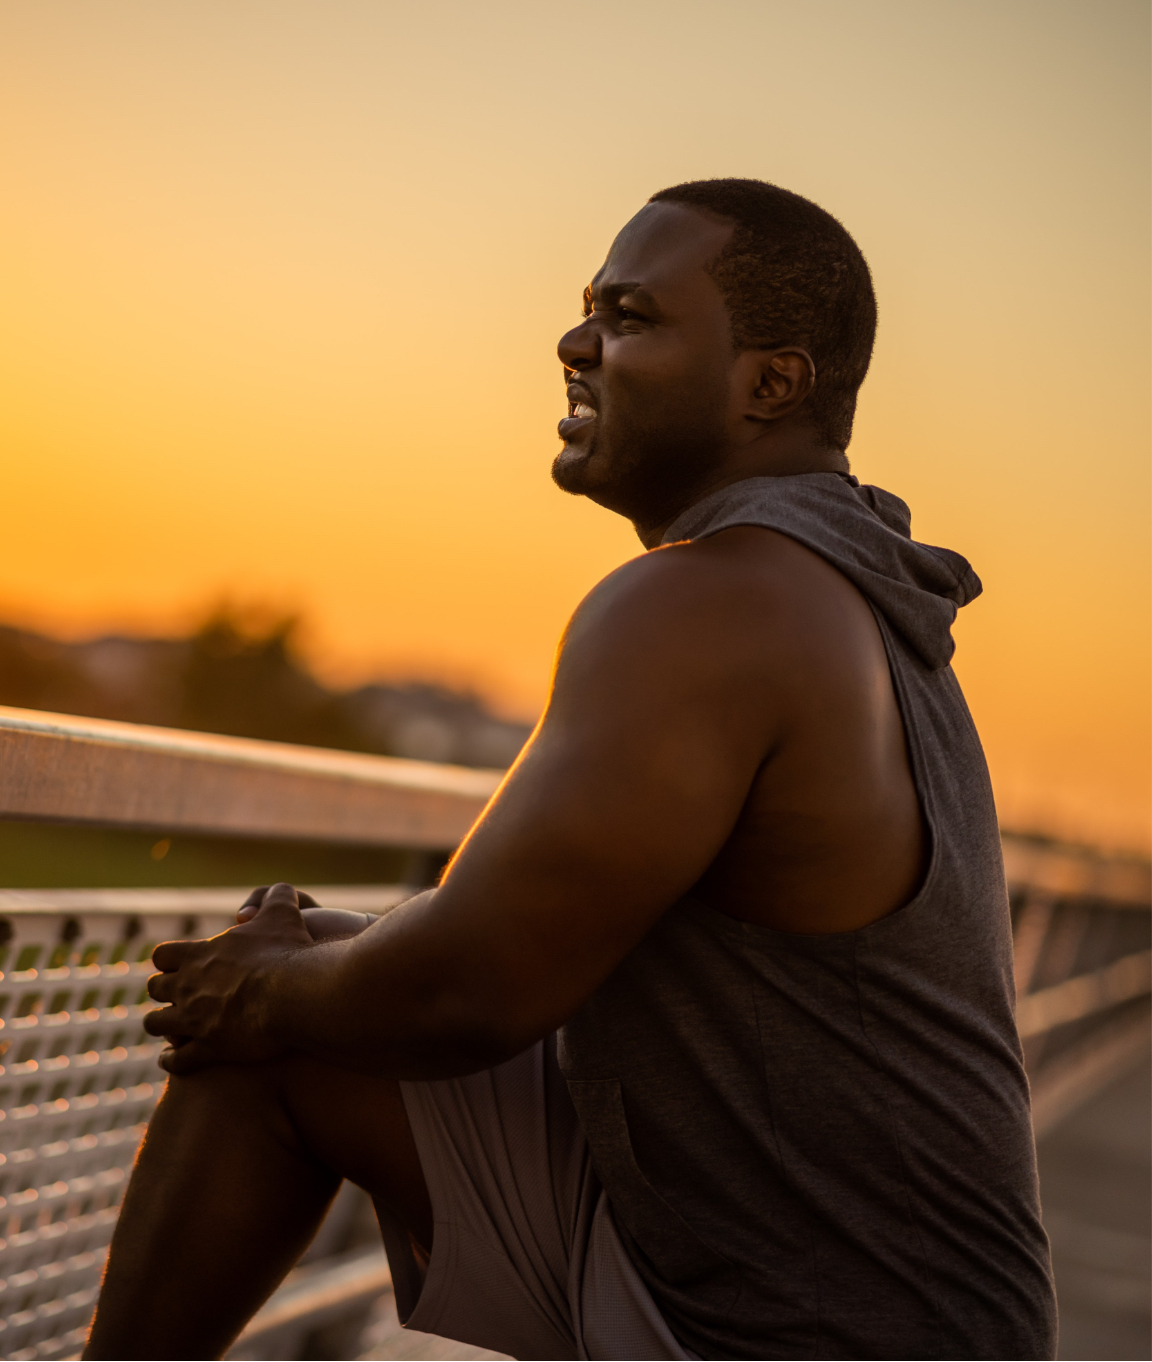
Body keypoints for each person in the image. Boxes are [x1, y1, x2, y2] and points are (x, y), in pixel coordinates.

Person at [84, 179, 1057, 1361]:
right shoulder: (832, 592)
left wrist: (256, 983)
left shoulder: (722, 601)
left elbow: (471, 987)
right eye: (588, 308)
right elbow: (475, 952)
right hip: (785, 1277)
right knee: (310, 983)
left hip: (812, 1334)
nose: (574, 343)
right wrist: (288, 971)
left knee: (286, 1011)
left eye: (633, 317)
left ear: (773, 382)